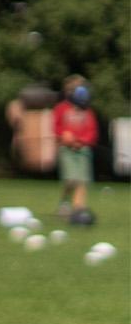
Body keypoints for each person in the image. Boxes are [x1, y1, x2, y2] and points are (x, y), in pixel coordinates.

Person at [55, 75, 100, 225]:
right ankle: (65, 202)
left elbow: (92, 131)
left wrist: (82, 141)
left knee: (82, 181)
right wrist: (65, 137)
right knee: (71, 180)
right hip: (66, 149)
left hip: (83, 150)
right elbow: (57, 128)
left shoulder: (88, 111)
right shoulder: (61, 108)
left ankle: (78, 210)